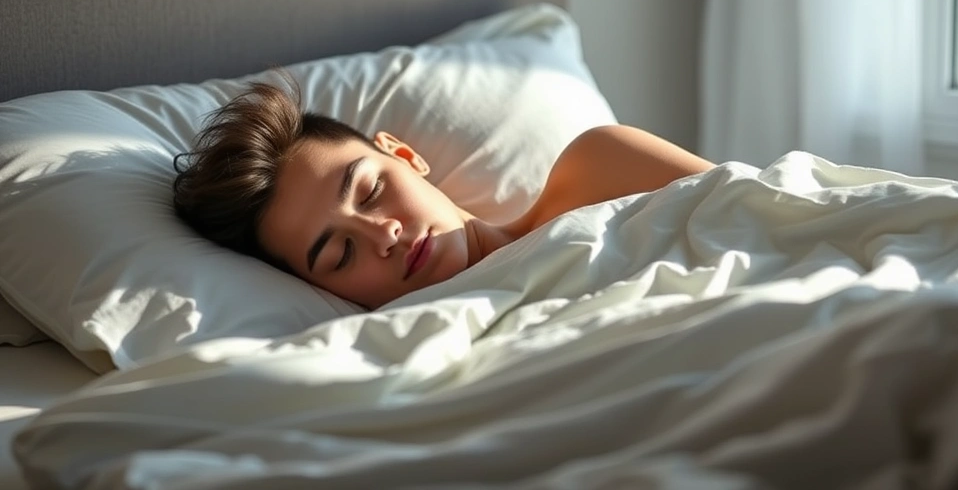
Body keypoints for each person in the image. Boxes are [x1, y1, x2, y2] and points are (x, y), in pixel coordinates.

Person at [173, 76, 715, 310]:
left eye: (370, 190)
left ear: (406, 156)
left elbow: (759, 206)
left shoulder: (599, 167)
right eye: (340, 254)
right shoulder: (406, 349)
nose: (383, 233)